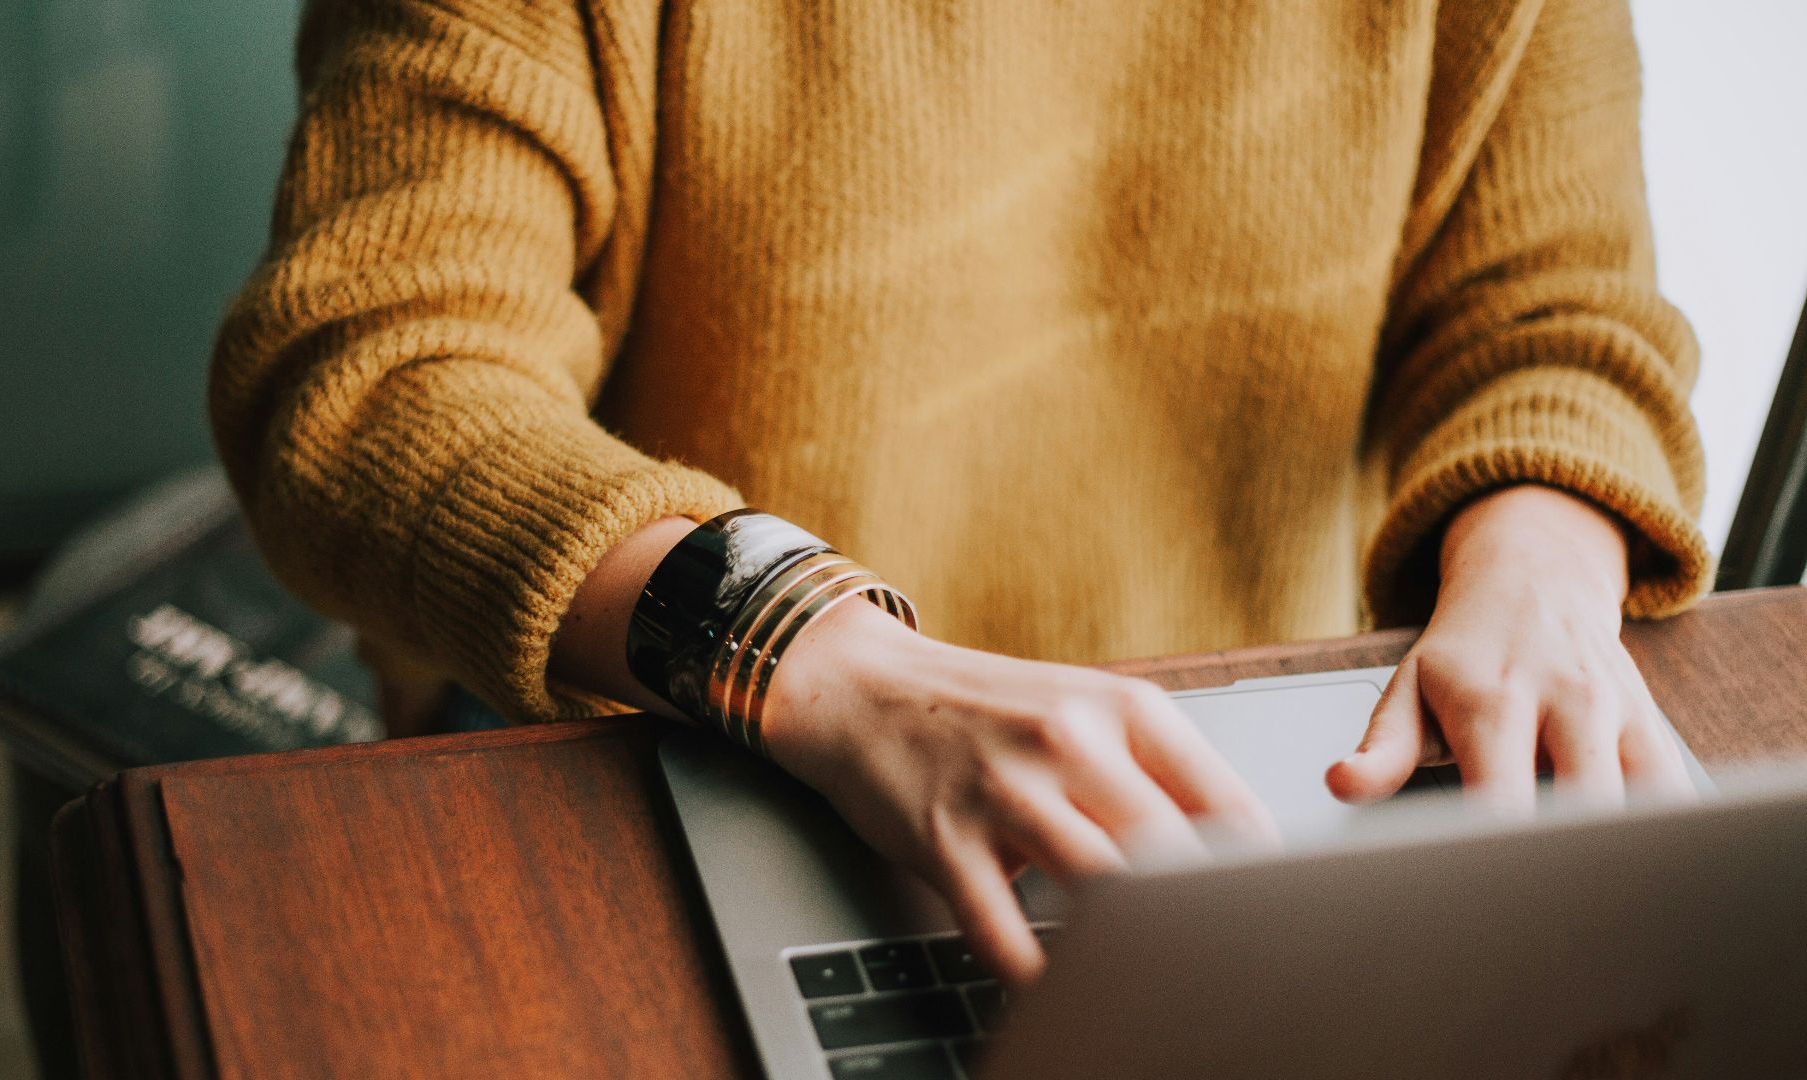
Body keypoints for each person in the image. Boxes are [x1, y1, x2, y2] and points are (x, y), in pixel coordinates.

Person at [211, 0, 1710, 985]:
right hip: (673, 751)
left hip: (1235, 787)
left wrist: (1542, 568)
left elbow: (1555, 314)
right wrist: (822, 656)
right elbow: (373, 372)